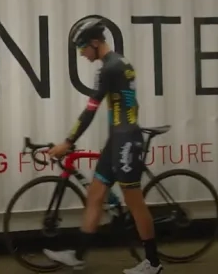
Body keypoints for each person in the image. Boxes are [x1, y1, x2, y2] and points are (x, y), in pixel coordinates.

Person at [42, 17, 163, 274]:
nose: (81, 54)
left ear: (95, 43)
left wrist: (68, 142)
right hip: (118, 140)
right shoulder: (120, 62)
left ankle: (153, 263)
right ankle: (78, 256)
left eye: (82, 47)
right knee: (95, 196)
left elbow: (90, 111)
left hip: (125, 142)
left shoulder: (109, 68)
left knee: (134, 202)